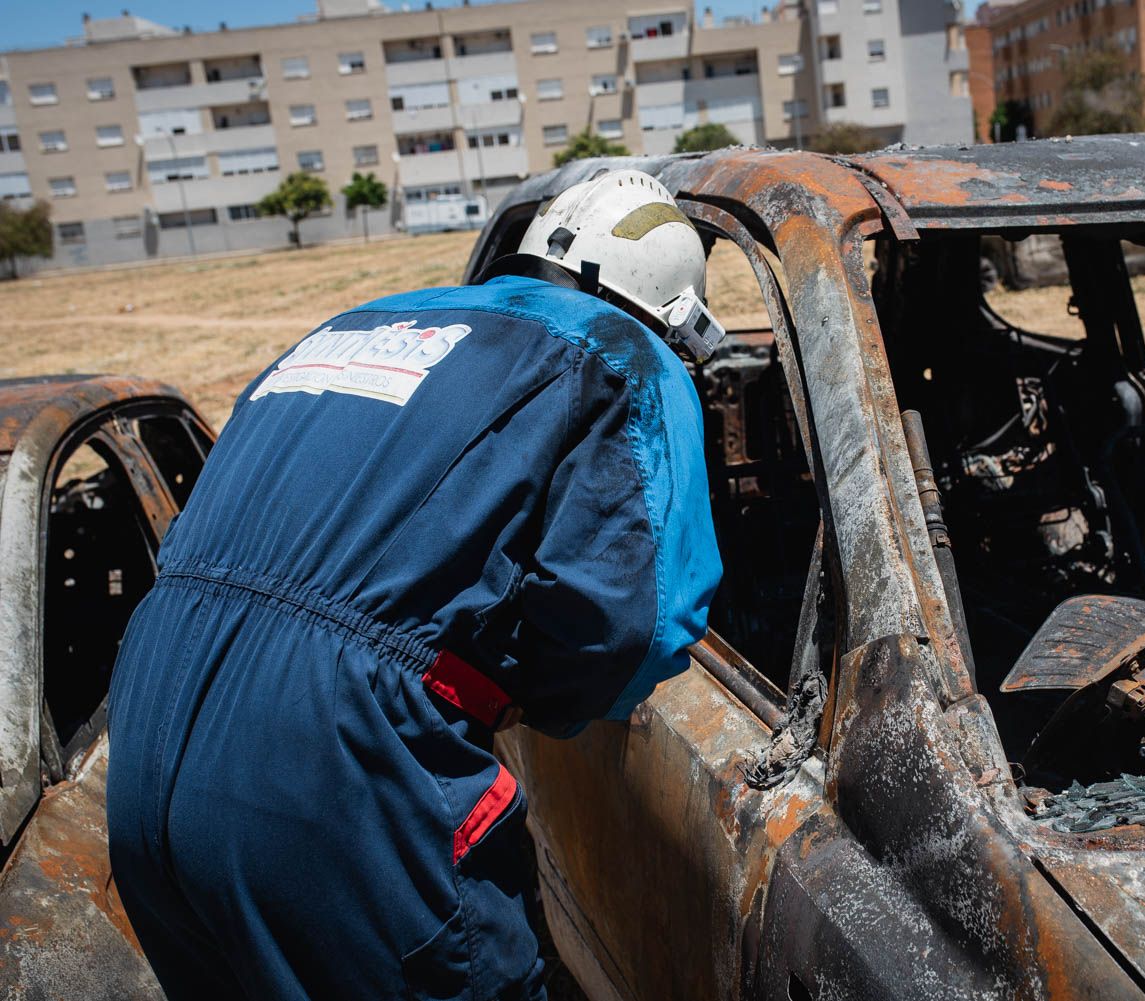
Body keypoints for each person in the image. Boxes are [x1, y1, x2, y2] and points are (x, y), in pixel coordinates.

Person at [106, 169, 725, 1000]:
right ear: (669, 313)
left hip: (148, 736)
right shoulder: (623, 356)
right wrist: (531, 697)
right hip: (330, 767)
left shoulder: (355, 323)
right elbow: (636, 626)